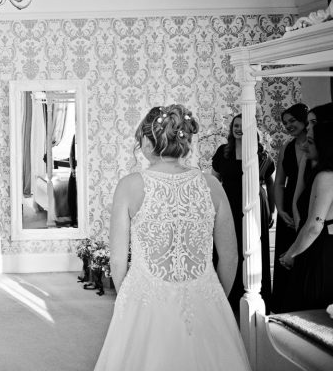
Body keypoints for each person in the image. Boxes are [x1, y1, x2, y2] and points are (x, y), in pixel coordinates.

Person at [94, 105, 250, 371]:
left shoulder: (129, 185)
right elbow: (231, 257)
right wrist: (214, 299)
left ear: (148, 141)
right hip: (204, 299)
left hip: (145, 300)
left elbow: (118, 260)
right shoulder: (212, 185)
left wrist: (128, 300)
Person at [211, 114, 274, 316]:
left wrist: (272, 209)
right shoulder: (223, 152)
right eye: (235, 125)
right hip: (228, 203)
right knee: (229, 248)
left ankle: (257, 297)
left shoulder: (262, 154)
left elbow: (271, 183)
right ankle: (227, 298)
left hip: (255, 205)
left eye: (242, 125)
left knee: (254, 248)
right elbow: (214, 181)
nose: (238, 129)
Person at [278, 120, 333, 311]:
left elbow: (314, 226)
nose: (303, 146)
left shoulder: (326, 176)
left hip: (320, 250)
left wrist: (291, 254)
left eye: (309, 142)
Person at [271, 103, 308, 312]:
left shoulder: (316, 144)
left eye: (292, 120)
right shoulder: (287, 147)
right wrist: (281, 209)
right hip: (287, 207)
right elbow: (278, 183)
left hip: (310, 201)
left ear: (304, 119)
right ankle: (284, 308)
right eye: (285, 123)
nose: (288, 126)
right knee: (285, 255)